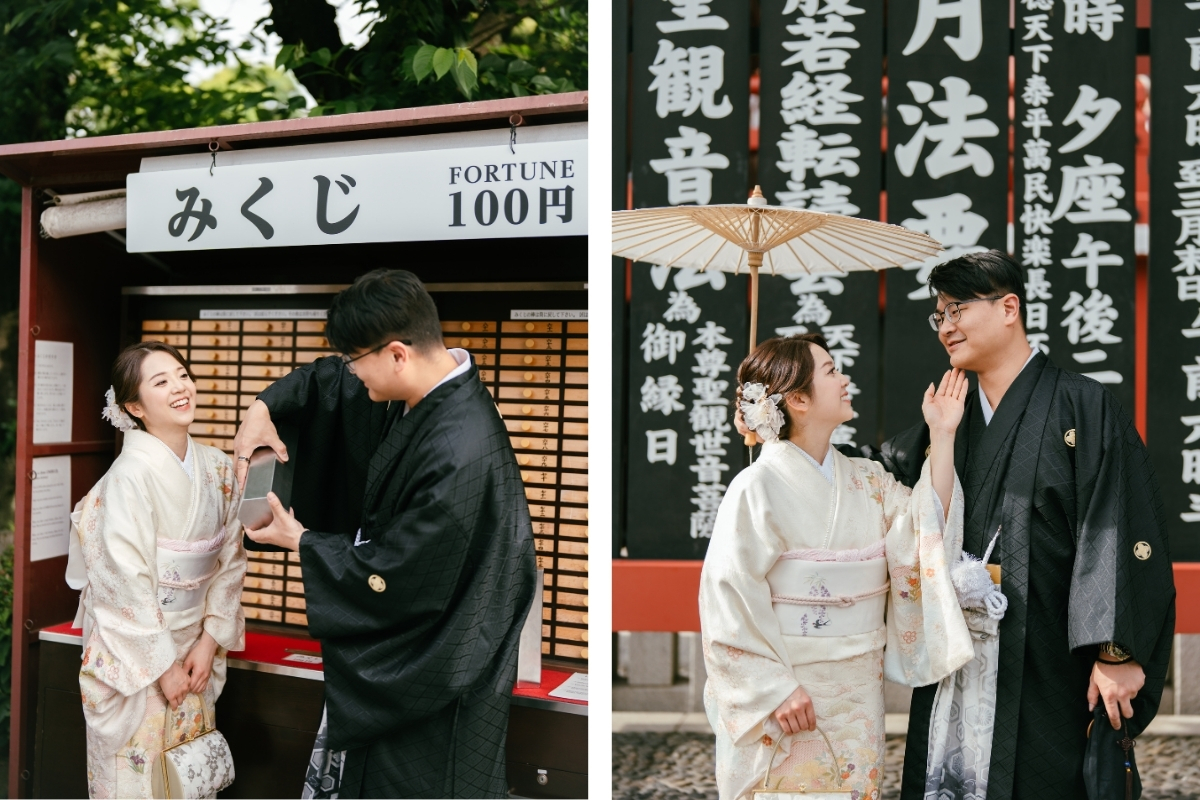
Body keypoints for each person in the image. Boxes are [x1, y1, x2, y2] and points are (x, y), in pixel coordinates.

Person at [877, 250, 1175, 799]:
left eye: (957, 308)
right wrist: (782, 437)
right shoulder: (949, 412)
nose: (946, 326)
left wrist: (1118, 652)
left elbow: (1115, 524)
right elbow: (885, 487)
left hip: (1047, 658)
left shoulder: (1082, 405)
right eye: (938, 314)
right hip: (959, 650)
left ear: (1009, 306)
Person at [235, 269, 536, 799]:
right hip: (433, 651)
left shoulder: (456, 449)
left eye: (358, 361)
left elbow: (398, 574)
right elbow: (327, 380)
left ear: (397, 353)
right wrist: (263, 407)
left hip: (441, 670)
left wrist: (302, 541)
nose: (353, 375)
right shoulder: (425, 390)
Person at [701, 333, 975, 800]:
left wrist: (943, 434)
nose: (845, 379)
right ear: (799, 399)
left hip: (856, 688)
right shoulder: (755, 488)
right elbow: (726, 598)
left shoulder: (866, 480)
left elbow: (923, 528)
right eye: (830, 371)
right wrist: (773, 689)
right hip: (788, 691)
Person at [65, 342, 246, 799]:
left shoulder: (219, 469)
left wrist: (209, 643)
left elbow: (230, 560)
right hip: (141, 655)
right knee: (138, 782)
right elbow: (121, 581)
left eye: (183, 375)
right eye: (161, 382)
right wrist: (163, 666)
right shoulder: (129, 476)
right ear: (134, 406)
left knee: (187, 776)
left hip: (194, 653)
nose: (180, 387)